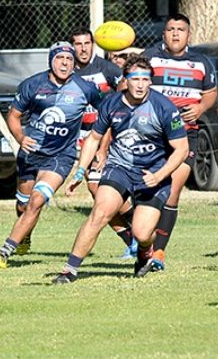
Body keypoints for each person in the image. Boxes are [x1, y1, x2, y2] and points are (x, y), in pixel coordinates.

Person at [52, 55, 189, 283]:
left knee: (142, 233)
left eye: (145, 79)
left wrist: (160, 175)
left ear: (150, 82)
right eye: (135, 79)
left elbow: (182, 149)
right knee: (100, 213)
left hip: (152, 173)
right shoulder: (111, 103)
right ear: (125, 80)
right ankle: (70, 270)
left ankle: (146, 251)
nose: (140, 84)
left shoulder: (163, 107)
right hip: (120, 168)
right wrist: (80, 170)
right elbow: (94, 138)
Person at [0, 42, 101, 269]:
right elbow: (14, 115)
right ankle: (25, 234)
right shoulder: (33, 85)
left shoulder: (85, 88)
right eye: (60, 58)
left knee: (37, 201)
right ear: (51, 60)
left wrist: (101, 145)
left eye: (69, 60)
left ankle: (4, 252)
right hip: (31, 153)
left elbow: (108, 113)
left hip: (61, 156)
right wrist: (21, 138)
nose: (64, 63)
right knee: (23, 205)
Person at [141, 13, 218, 271]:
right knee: (141, 193)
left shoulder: (202, 62)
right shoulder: (149, 58)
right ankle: (143, 241)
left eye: (181, 29)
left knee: (172, 193)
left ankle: (159, 253)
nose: (175, 34)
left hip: (186, 135)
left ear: (189, 34)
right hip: (151, 136)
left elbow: (210, 94)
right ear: (163, 34)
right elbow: (128, 86)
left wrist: (199, 108)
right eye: (171, 29)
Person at [70, 26, 135, 258]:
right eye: (78, 44)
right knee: (98, 195)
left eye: (87, 43)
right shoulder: (67, 71)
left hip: (106, 138)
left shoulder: (106, 69)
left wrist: (107, 143)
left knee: (102, 192)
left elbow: (126, 90)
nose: (83, 48)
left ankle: (138, 231)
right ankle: (133, 239)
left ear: (94, 45)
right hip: (82, 140)